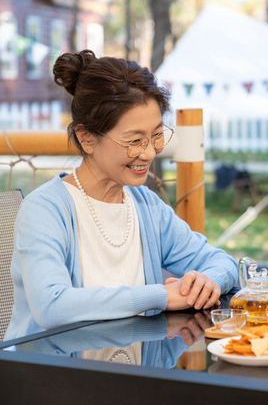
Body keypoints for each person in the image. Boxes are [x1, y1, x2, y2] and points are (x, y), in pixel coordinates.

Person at [4, 50, 237, 341]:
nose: (150, 152)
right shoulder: (45, 210)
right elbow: (52, 306)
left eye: (155, 136)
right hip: (52, 374)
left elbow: (223, 263)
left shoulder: (147, 207)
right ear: (87, 138)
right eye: (134, 141)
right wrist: (162, 296)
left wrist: (206, 282)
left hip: (132, 376)